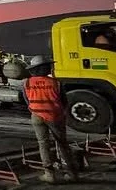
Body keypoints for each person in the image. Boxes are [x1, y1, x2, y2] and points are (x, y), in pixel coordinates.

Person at [24, 55, 78, 183]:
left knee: (43, 144)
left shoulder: (27, 83)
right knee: (62, 144)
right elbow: (64, 101)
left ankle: (49, 174)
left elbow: (27, 100)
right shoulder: (56, 83)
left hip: (37, 116)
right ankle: (71, 174)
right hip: (55, 116)